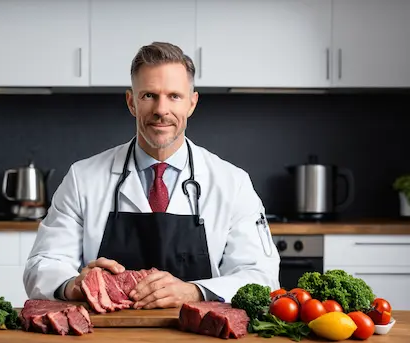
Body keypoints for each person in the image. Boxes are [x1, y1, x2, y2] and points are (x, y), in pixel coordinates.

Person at [23, 42, 280, 309]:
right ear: (131, 102)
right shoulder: (82, 178)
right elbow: (42, 266)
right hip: (103, 335)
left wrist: (195, 292)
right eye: (149, 96)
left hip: (200, 335)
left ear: (192, 103)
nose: (161, 109)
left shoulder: (232, 182)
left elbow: (262, 277)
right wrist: (74, 285)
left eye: (174, 96)